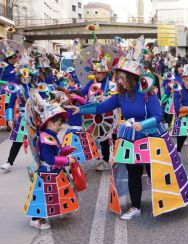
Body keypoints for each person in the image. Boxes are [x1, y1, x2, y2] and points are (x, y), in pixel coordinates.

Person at [70, 57, 178, 220]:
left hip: (150, 137)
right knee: (133, 172)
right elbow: (100, 107)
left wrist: (143, 125)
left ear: (132, 79)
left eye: (122, 78)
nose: (119, 81)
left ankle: (164, 201)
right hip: (130, 138)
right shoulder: (120, 96)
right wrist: (80, 109)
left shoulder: (148, 94)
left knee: (153, 171)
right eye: (118, 78)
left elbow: (158, 116)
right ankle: (136, 206)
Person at [24, 92, 78, 229]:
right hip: (47, 172)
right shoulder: (46, 138)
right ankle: (36, 219)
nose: (60, 126)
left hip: (53, 171)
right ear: (48, 123)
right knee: (42, 196)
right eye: (58, 124)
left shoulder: (50, 135)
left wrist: (66, 150)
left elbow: (56, 151)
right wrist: (66, 161)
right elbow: (49, 158)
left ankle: (61, 210)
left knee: (57, 191)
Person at [80, 57, 113, 171]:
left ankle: (106, 161)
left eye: (98, 73)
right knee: (92, 136)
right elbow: (81, 93)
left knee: (106, 138)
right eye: (95, 73)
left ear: (104, 74)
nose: (96, 75)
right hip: (92, 115)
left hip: (108, 115)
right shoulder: (91, 82)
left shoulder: (111, 83)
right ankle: (96, 159)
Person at [1, 69, 33, 172]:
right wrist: (9, 118)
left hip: (33, 117)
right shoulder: (17, 89)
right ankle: (9, 162)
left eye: (28, 77)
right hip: (22, 118)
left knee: (38, 142)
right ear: (20, 78)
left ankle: (43, 163)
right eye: (23, 77)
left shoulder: (34, 89)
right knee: (17, 141)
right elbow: (10, 105)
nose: (26, 79)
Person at [171, 63, 188, 153]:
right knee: (180, 141)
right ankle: (177, 157)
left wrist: (185, 108)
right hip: (182, 120)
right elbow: (177, 109)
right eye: (187, 80)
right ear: (183, 79)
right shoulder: (179, 89)